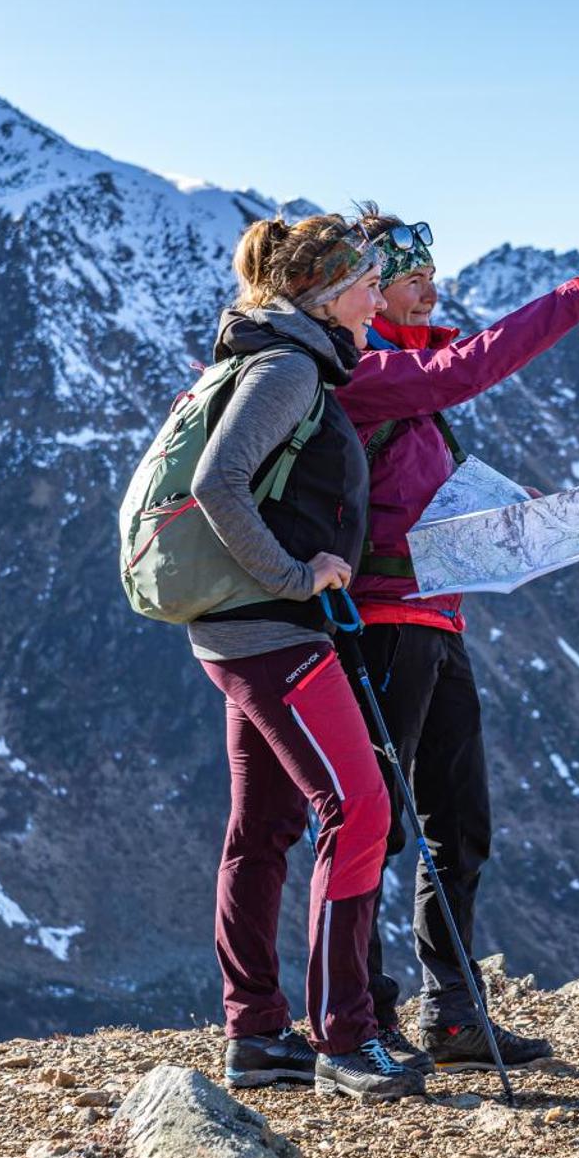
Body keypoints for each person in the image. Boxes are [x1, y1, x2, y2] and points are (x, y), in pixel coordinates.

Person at [333, 207, 579, 1071]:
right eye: (408, 278)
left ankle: (452, 1012)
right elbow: (466, 369)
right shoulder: (366, 370)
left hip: (436, 617)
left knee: (458, 823)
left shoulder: (410, 374)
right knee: (382, 824)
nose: (429, 287)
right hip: (381, 623)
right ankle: (365, 1016)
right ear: (363, 288)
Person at [186, 211, 420, 1101]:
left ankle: (257, 1038)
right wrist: (293, 575)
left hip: (240, 630)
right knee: (357, 810)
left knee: (264, 828)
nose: (375, 297)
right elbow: (217, 482)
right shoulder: (287, 368)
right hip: (274, 632)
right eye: (366, 284)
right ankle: (344, 1041)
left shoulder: (277, 359)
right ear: (325, 295)